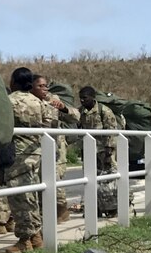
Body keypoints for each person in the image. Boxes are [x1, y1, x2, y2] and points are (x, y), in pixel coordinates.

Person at [5, 67, 46, 253]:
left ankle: (24, 240)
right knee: (31, 195)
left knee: (19, 197)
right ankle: (36, 236)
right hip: (36, 153)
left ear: (14, 82)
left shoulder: (9, 101)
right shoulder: (38, 102)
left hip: (18, 154)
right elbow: (51, 122)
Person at [31, 75, 79, 222]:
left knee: (55, 180)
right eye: (40, 86)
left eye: (45, 86)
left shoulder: (53, 99)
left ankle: (60, 211)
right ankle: (43, 213)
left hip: (55, 148)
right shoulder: (27, 100)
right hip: (34, 147)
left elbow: (76, 116)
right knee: (37, 181)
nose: (44, 89)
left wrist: (64, 108)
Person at [77, 86, 119, 217]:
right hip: (89, 151)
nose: (82, 101)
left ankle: (112, 208)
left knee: (108, 181)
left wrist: (108, 152)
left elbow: (111, 131)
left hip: (104, 150)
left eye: (85, 98)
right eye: (81, 98)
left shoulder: (104, 111)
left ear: (93, 97)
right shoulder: (80, 111)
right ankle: (95, 208)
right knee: (90, 179)